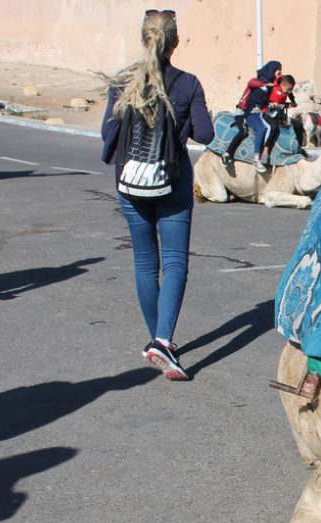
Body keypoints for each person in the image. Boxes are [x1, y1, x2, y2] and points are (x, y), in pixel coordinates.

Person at [101, 9, 213, 381]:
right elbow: (206, 134)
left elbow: (108, 135)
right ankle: (163, 340)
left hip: (130, 183)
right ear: (175, 42)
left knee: (145, 264)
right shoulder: (187, 83)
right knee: (175, 262)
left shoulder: (122, 82)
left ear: (142, 39)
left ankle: (158, 339)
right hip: (172, 181)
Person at [223, 60, 281, 172]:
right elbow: (251, 83)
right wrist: (265, 85)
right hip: (245, 112)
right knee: (245, 131)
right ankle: (229, 154)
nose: (279, 72)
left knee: (272, 127)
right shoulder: (259, 82)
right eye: (278, 69)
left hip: (258, 112)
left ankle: (266, 152)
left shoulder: (270, 85)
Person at [260, 73, 297, 163]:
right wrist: (270, 103)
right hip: (266, 113)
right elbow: (263, 98)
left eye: (290, 90)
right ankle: (265, 151)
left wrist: (293, 102)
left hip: (277, 113)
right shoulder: (272, 88)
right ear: (281, 85)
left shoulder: (285, 90)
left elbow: (290, 95)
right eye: (288, 90)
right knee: (273, 127)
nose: (289, 92)